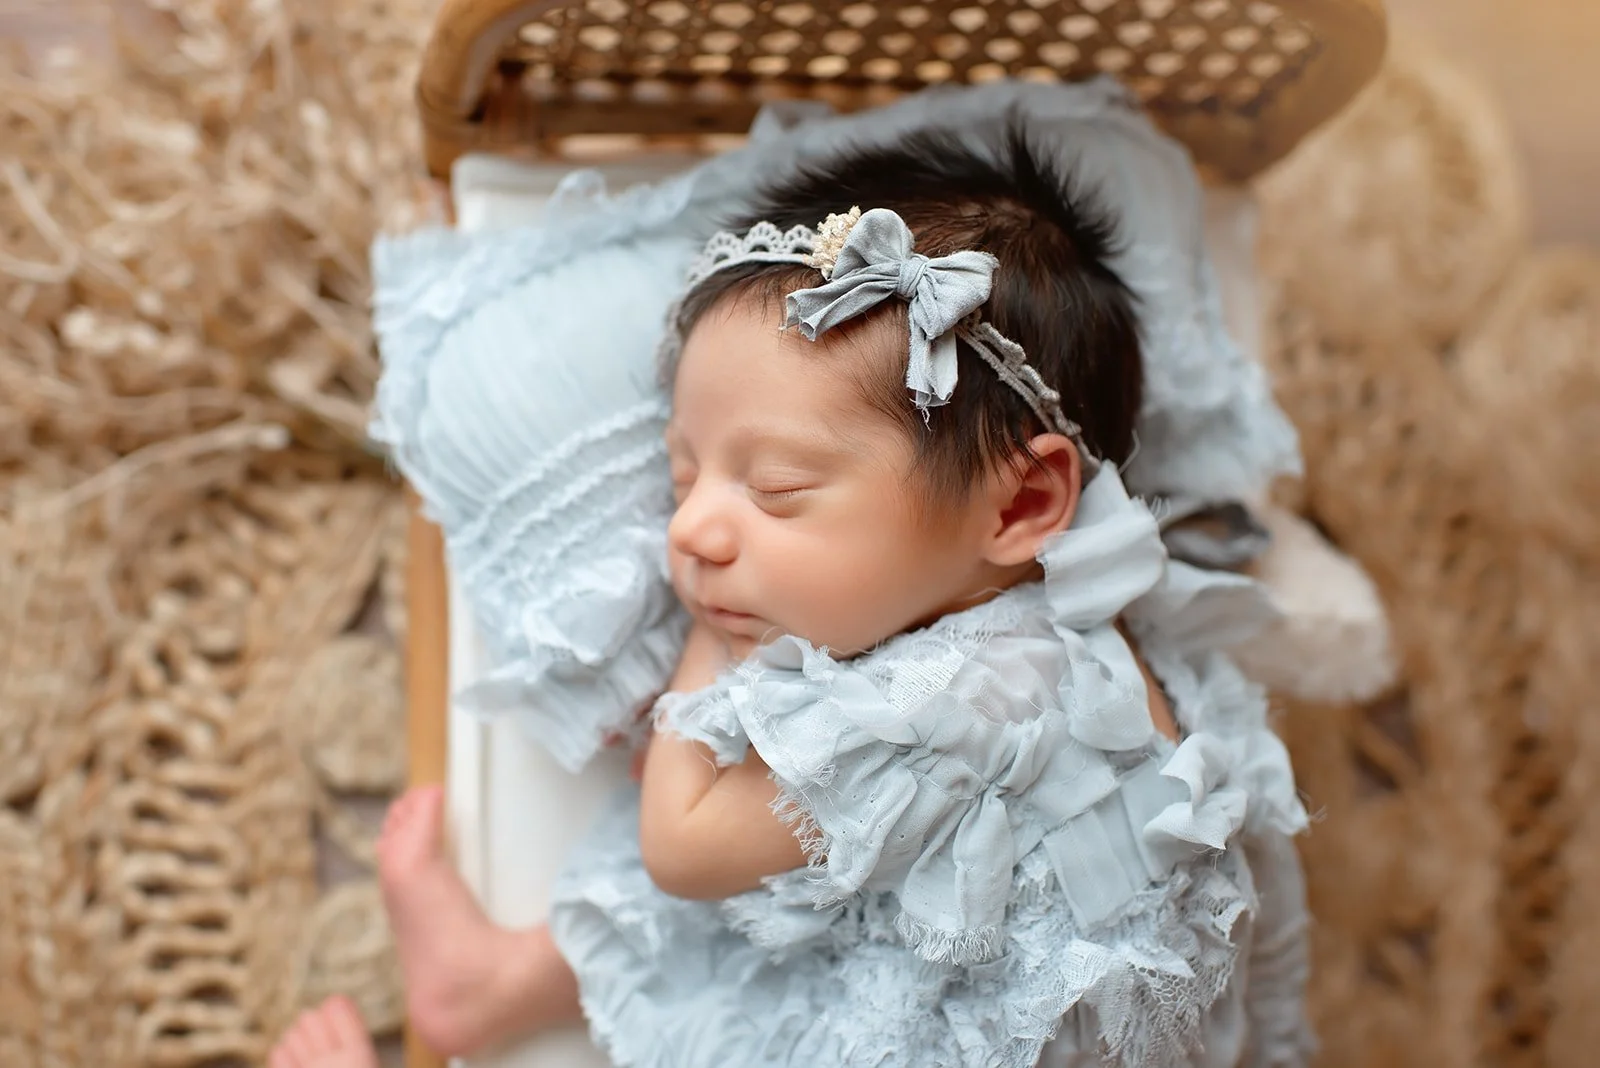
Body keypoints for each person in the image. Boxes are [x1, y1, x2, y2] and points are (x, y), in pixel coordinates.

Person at [271, 127, 1310, 1068]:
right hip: (959, 971)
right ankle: (499, 988)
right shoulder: (1043, 621)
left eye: (775, 491)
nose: (688, 530)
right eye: (683, 477)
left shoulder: (967, 709)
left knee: (758, 887)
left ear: (1022, 502)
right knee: (797, 902)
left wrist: (707, 652)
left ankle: (499, 990)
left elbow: (682, 848)